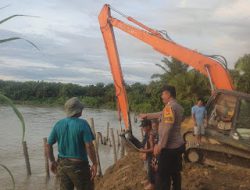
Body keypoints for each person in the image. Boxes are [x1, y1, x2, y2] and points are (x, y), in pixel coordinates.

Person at [139, 85, 185, 190]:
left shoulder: (169, 107)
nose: (161, 96)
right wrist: (148, 115)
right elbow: (163, 114)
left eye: (163, 94)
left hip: (169, 148)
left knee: (162, 176)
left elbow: (167, 129)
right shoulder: (178, 107)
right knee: (175, 173)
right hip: (178, 146)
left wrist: (160, 145)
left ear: (168, 94)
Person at [47, 97, 97, 190]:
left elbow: (48, 145)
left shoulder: (59, 124)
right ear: (78, 111)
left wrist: (52, 161)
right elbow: (89, 146)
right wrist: (94, 163)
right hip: (79, 167)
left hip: (62, 165)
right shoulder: (83, 124)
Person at [139, 119, 155, 190]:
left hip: (152, 155)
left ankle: (152, 184)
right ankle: (149, 181)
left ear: (148, 127)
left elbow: (153, 149)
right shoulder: (148, 133)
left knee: (150, 169)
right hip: (149, 154)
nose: (142, 129)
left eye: (143, 127)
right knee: (148, 169)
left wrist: (144, 151)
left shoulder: (151, 135)